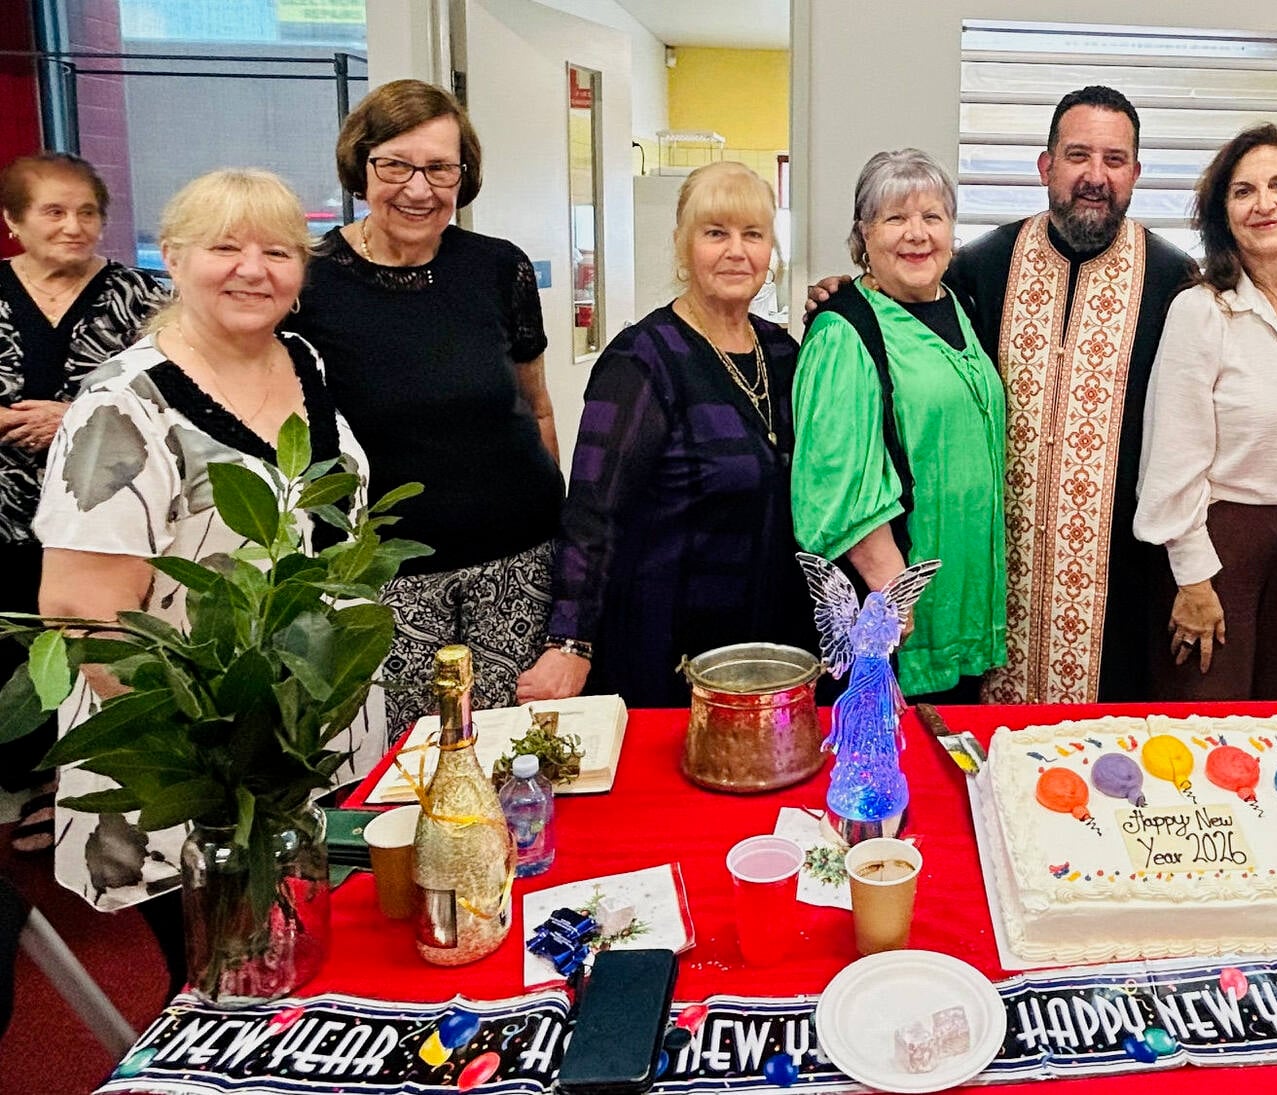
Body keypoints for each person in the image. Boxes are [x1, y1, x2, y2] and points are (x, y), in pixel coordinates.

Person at [32, 168, 380, 986]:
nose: (253, 269)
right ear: (175, 257)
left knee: (313, 970)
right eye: (225, 247)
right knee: (226, 984)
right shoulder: (122, 408)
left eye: (277, 251)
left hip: (301, 749)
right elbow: (84, 616)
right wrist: (225, 767)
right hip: (198, 776)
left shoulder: (299, 358)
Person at [288, 79, 563, 741]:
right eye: (396, 165)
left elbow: (538, 407)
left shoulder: (499, 267)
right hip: (387, 577)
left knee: (518, 755)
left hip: (518, 564)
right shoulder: (308, 280)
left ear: (463, 175)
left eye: (441, 168)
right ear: (361, 165)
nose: (419, 188)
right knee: (405, 764)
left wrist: (563, 527)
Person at [516, 162, 808, 707]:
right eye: (715, 233)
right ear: (682, 245)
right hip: (668, 647)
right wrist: (570, 641)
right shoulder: (641, 361)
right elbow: (593, 512)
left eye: (753, 234)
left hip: (770, 639)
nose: (736, 251)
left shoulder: (784, 353)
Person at [954, 87, 1195, 705]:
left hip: (1123, 591)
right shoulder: (978, 268)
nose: (1095, 177)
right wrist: (846, 293)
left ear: (1135, 174)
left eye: (1114, 160)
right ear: (1046, 166)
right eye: (1078, 155)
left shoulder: (1177, 283)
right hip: (992, 575)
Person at [1134, 125, 1277, 701]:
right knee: (1209, 710)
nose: (1265, 204)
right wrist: (1192, 577)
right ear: (1223, 215)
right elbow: (1171, 452)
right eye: (1244, 191)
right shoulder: (1201, 310)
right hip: (1223, 541)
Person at [792, 149, 1006, 702]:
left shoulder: (960, 306)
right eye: (895, 218)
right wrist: (894, 590)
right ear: (864, 234)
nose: (917, 234)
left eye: (932, 217)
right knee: (891, 747)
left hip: (959, 602)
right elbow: (835, 482)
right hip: (895, 615)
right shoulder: (844, 330)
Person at [0, 152, 166, 853]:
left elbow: (176, 389)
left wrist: (72, 417)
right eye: (54, 211)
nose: (73, 226)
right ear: (13, 220)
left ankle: (82, 787)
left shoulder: (140, 295)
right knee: (16, 650)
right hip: (6, 512)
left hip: (107, 512)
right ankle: (31, 777)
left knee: (92, 645)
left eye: (87, 212)